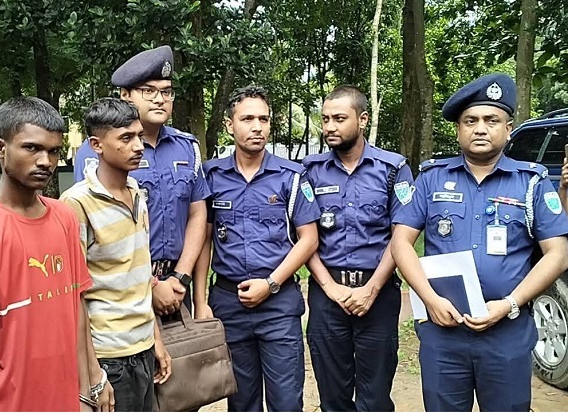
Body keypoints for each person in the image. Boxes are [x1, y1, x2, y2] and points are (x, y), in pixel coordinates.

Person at [391, 73, 568, 411]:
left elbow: (557, 254)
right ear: (459, 129)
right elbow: (401, 243)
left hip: (506, 332)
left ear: (508, 129)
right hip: (443, 330)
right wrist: (430, 299)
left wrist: (510, 303)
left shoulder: (531, 183)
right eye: (470, 121)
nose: (480, 128)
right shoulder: (431, 179)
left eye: (491, 120)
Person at [0, 97, 113, 412]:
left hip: (67, 399)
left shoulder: (64, 217)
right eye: (32, 148)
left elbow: (77, 306)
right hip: (7, 402)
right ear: (0, 148)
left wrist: (88, 387)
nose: (45, 161)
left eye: (54, 151)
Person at [194, 85, 320, 411]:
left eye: (263, 119)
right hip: (229, 303)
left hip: (278, 305)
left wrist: (271, 283)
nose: (257, 127)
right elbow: (203, 239)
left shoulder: (291, 176)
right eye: (247, 119)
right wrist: (201, 301)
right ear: (229, 125)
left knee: (286, 401)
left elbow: (309, 238)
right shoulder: (211, 175)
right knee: (241, 402)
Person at [75, 45, 210, 316]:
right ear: (125, 95)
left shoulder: (187, 147)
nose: (159, 99)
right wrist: (152, 284)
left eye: (166, 92)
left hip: (177, 286)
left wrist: (181, 278)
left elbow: (198, 215)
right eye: (148, 91)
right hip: (121, 290)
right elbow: (94, 228)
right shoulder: (97, 151)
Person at [302, 85, 414, 411]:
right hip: (328, 295)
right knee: (332, 396)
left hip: (378, 294)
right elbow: (304, 236)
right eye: (325, 119)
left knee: (375, 396)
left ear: (362, 119)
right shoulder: (310, 171)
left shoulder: (393, 169)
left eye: (339, 119)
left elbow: (402, 235)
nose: (329, 127)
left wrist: (372, 289)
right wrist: (330, 287)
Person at [61, 98, 172, 412]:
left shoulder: (137, 192)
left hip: (144, 347)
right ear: (96, 145)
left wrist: (156, 338)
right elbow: (74, 294)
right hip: (108, 356)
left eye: (139, 136)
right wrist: (93, 374)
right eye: (126, 138)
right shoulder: (76, 204)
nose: (138, 146)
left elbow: (140, 274)